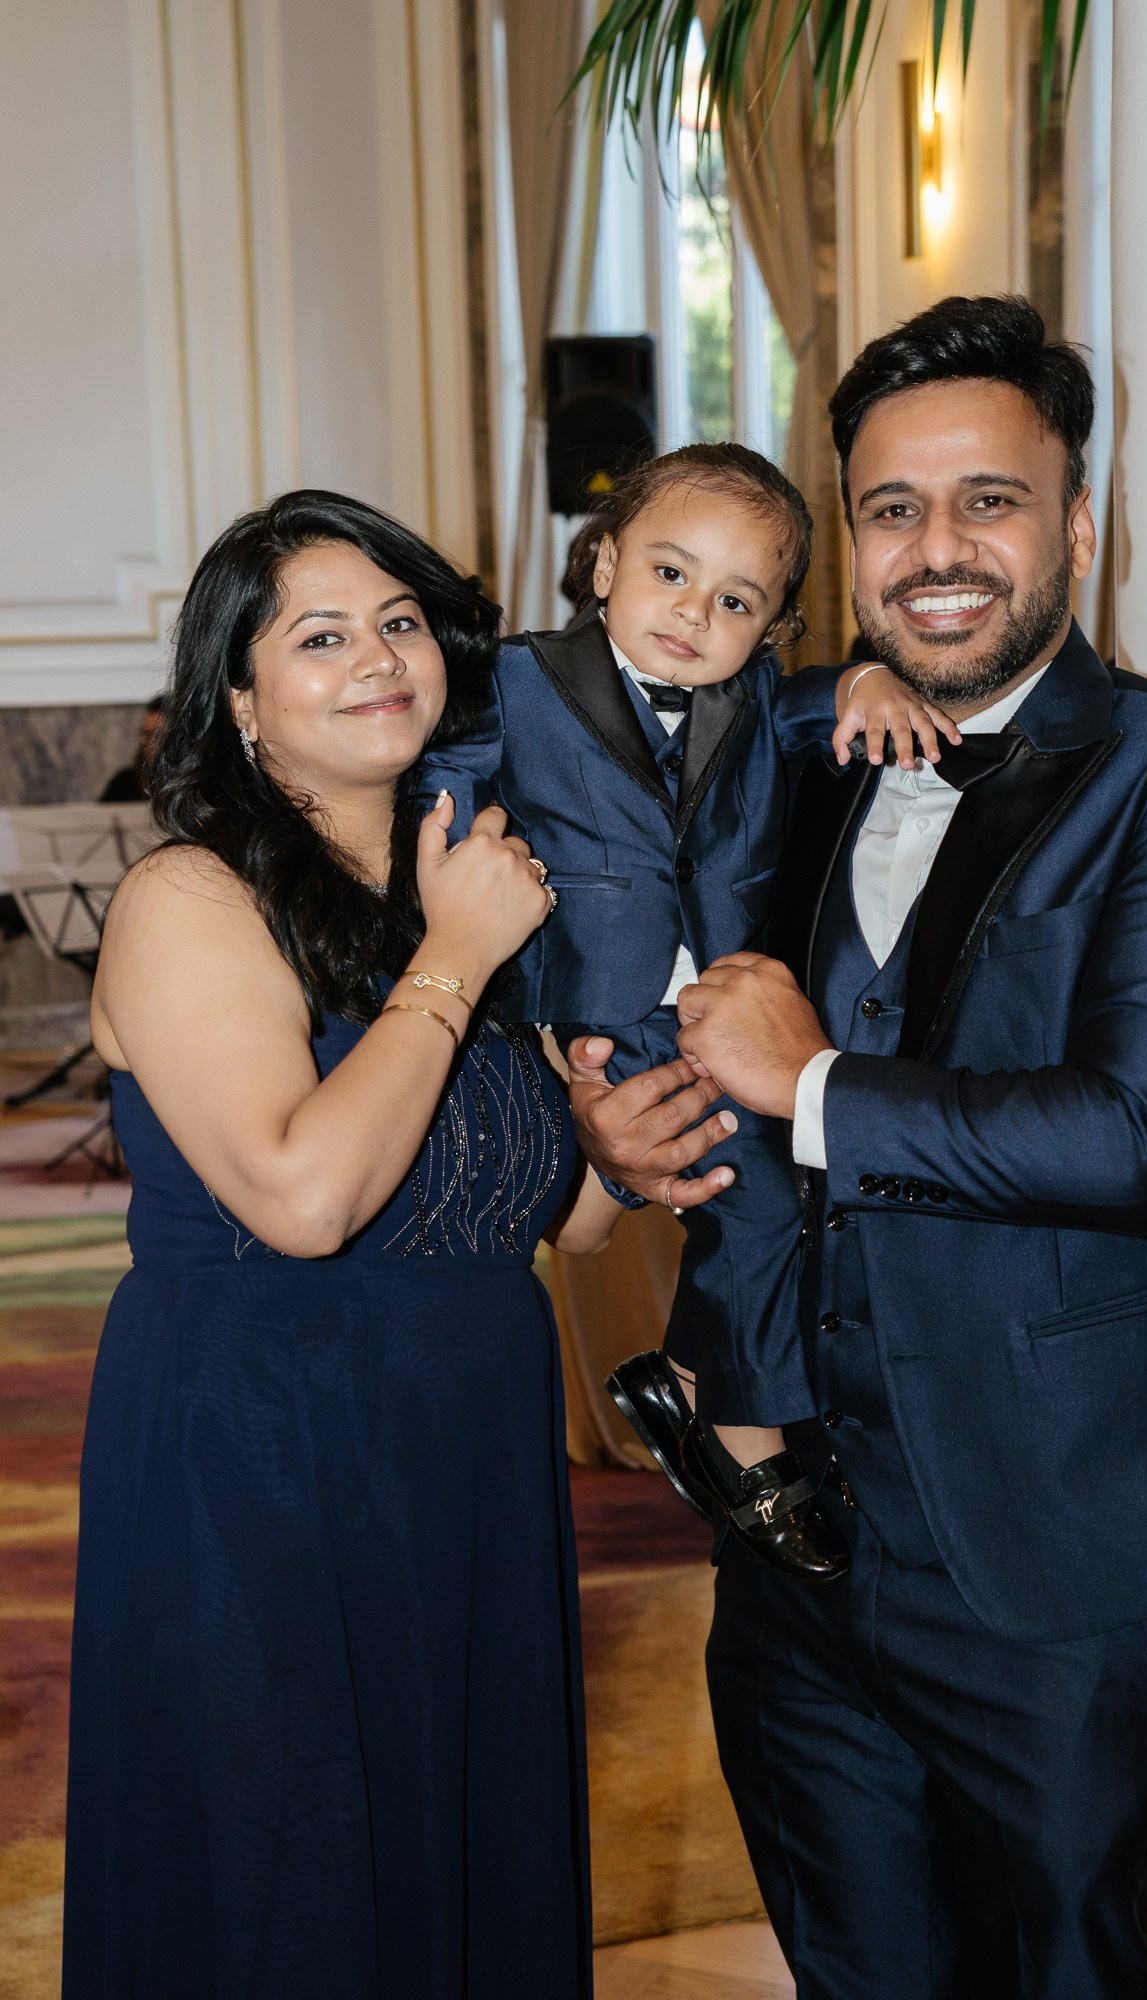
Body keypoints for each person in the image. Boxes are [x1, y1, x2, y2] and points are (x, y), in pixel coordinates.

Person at [568, 296, 1147, 1998]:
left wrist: (812, 1081)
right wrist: (611, 1126)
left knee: (1058, 1973)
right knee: (855, 1971)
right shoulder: (790, 744)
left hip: (1050, 1534)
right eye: (892, 509)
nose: (939, 549)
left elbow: (1130, 1138)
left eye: (990, 500)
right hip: (786, 1536)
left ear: (1079, 527)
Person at [63, 489, 624, 1999]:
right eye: (320, 637)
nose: (378, 657)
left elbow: (566, 1216)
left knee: (460, 1846)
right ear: (239, 701)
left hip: (467, 1452)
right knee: (285, 1878)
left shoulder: (474, 880)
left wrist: (633, 1128)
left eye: (398, 622)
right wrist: (458, 956)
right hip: (262, 1456)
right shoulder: (190, 897)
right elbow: (303, 1201)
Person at [426, 441, 957, 1578]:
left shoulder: (751, 695)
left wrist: (860, 684)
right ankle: (728, 1420)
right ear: (604, 562)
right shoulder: (516, 679)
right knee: (725, 1195)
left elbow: (812, 706)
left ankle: (705, 1386)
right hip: (581, 1015)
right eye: (670, 573)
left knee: (774, 1194)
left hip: (713, 1011)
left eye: (734, 601)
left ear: (768, 628)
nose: (692, 613)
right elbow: (440, 788)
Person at [99, 692, 165, 800]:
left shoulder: (186, 785)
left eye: (156, 735)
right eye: (145, 734)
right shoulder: (124, 783)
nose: (146, 742)